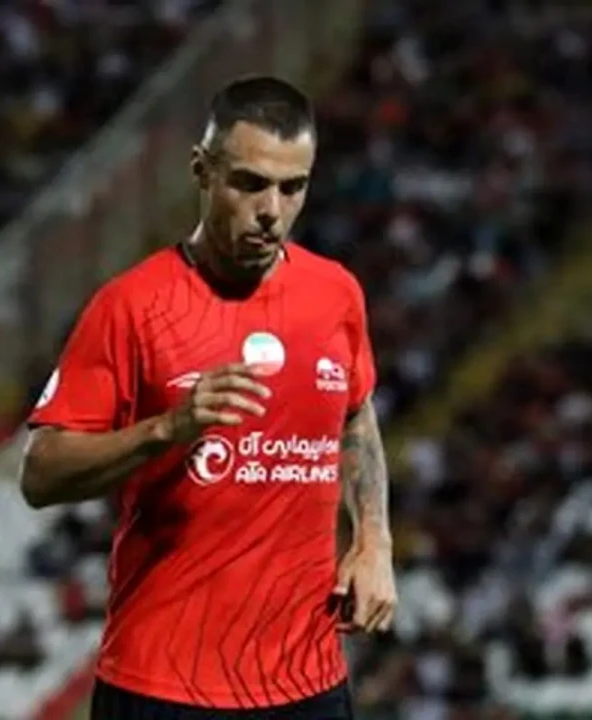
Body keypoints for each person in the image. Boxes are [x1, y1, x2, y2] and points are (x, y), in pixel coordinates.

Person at [21, 76, 397, 719]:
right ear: (202, 170)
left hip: (307, 682)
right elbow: (41, 474)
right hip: (163, 684)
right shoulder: (131, 307)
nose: (271, 210)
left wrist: (374, 541)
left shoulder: (335, 295)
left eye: (292, 187)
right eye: (250, 183)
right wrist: (168, 428)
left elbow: (355, 417)